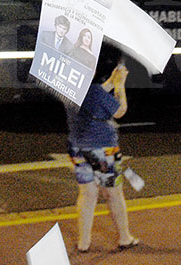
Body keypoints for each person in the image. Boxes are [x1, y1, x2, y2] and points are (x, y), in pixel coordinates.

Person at [65, 41, 139, 253]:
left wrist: (110, 83)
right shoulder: (96, 92)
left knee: (87, 194)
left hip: (78, 150)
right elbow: (120, 111)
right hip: (103, 152)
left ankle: (84, 241)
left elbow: (94, 96)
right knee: (114, 194)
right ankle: (124, 236)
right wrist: (120, 83)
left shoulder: (71, 88)